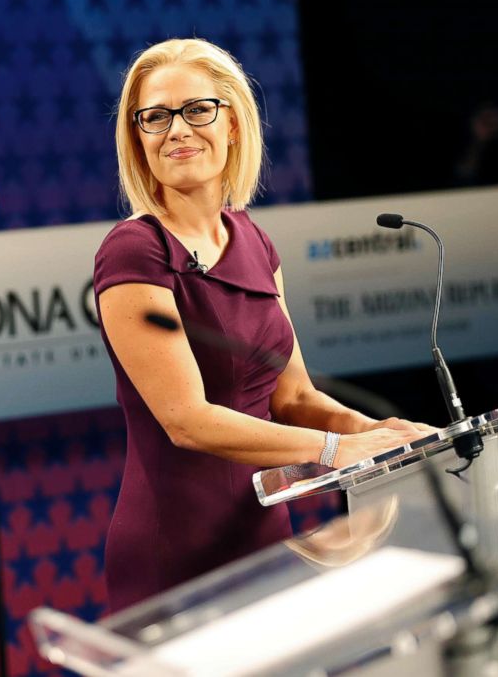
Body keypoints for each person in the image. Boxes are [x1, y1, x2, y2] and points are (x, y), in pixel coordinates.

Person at [94, 38, 429, 612]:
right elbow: (188, 421)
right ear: (138, 137)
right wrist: (335, 450)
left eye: (197, 110)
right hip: (173, 546)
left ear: (233, 124)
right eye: (155, 117)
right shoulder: (133, 251)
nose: (177, 130)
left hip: (260, 529)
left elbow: (294, 395)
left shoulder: (253, 240)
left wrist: (384, 438)